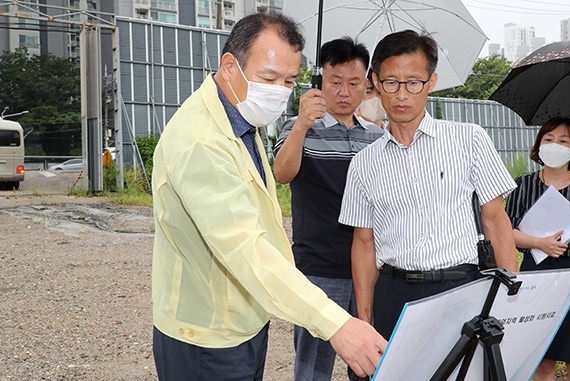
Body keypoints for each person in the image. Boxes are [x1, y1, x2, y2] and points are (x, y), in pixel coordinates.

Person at [150, 13, 386, 381]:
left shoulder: (239, 119)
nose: (279, 90)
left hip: (241, 317)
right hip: (209, 335)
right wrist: (337, 324)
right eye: (269, 78)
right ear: (231, 66)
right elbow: (245, 247)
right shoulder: (203, 141)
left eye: (289, 80)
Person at [338, 29, 519, 344]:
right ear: (377, 84)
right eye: (391, 82)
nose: (402, 94)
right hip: (394, 294)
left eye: (413, 82)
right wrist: (365, 320)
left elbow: (495, 221)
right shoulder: (363, 164)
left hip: (462, 289)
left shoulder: (469, 139)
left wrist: (510, 303)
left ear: (431, 82)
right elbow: (364, 246)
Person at [273, 37, 384, 381]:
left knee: (370, 362)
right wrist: (303, 125)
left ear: (367, 85)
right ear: (320, 81)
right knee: (312, 364)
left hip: (370, 269)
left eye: (354, 83)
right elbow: (282, 173)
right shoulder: (298, 127)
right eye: (335, 82)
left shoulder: (376, 138)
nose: (344, 92)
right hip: (319, 268)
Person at [505, 117, 570, 381]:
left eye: (564, 141)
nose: (555, 145)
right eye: (548, 139)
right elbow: (506, 232)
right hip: (536, 274)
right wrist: (539, 243)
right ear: (539, 145)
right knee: (542, 362)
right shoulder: (523, 185)